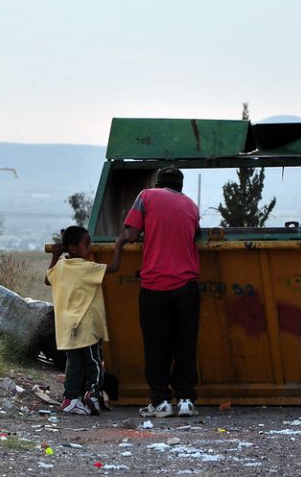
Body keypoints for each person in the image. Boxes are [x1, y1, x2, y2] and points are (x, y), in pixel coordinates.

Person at [124, 166, 201, 418]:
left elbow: (132, 235)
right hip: (187, 286)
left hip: (155, 285)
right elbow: (195, 235)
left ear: (158, 183)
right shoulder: (191, 205)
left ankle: (161, 402)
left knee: (157, 346)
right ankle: (186, 400)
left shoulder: (146, 196)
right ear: (181, 186)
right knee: (185, 345)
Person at [45, 226, 126, 415]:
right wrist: (119, 245)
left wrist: (55, 256)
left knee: (74, 364)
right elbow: (114, 267)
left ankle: (70, 398)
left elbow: (48, 279)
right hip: (85, 325)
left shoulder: (61, 267)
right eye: (87, 244)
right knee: (94, 362)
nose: (90, 247)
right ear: (73, 248)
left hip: (67, 327)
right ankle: (92, 393)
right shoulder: (86, 267)